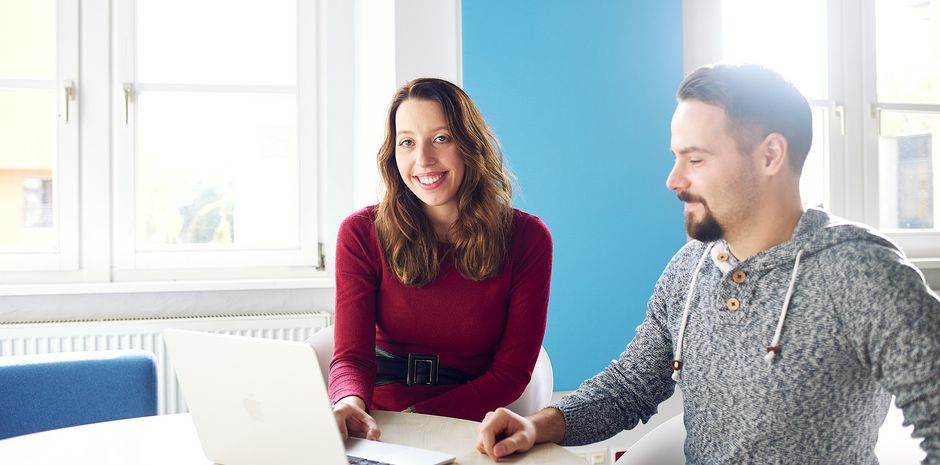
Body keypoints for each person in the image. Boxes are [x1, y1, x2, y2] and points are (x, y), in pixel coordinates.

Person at [476, 64, 940, 463]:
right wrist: (538, 425)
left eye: (695, 159)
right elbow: (629, 388)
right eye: (677, 157)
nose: (673, 179)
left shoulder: (862, 273)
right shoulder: (689, 268)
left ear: (770, 155)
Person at [329, 78, 553, 441]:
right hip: (377, 423)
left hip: (469, 423)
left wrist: (419, 420)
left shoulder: (527, 239)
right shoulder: (360, 233)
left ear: (469, 145)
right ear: (393, 154)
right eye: (407, 142)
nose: (423, 160)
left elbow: (510, 373)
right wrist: (349, 404)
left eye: (441, 138)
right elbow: (351, 358)